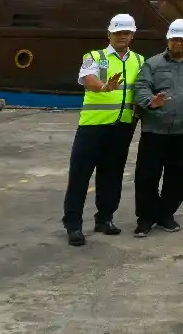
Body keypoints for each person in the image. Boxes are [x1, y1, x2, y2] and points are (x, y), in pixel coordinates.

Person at [61, 13, 145, 246]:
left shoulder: (139, 61)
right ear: (109, 34)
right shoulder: (94, 57)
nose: (122, 36)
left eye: (126, 33)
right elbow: (87, 78)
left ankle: (104, 219)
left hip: (121, 128)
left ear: (132, 36)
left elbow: (143, 89)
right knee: (80, 176)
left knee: (112, 176)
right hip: (92, 127)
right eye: (117, 33)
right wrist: (104, 86)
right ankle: (73, 225)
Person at [132, 18, 183, 238]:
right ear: (168, 40)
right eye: (174, 39)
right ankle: (146, 218)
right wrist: (150, 102)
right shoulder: (153, 64)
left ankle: (166, 214)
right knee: (147, 176)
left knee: (177, 176)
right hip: (154, 129)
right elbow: (141, 87)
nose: (178, 43)